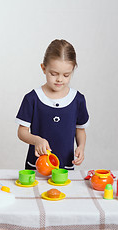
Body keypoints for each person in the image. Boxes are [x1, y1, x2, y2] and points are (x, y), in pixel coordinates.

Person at [15, 39, 89, 170]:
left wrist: (81, 147)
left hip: (65, 168)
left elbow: (80, 130)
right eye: (54, 74)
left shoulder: (78, 100)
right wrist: (36, 140)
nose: (60, 79)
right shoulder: (32, 98)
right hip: (35, 166)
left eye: (66, 75)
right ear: (44, 68)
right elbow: (22, 132)